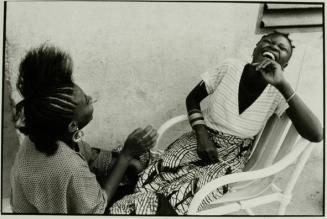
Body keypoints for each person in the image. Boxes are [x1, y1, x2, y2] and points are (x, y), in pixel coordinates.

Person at [109, 31, 323, 215]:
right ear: (256, 48)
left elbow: (316, 134)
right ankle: (120, 195)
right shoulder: (229, 67)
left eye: (281, 48)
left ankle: (137, 208)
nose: (273, 47)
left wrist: (283, 85)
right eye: (268, 42)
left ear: (284, 64)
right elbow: (192, 98)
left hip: (230, 156)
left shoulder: (278, 93)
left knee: (186, 190)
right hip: (199, 137)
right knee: (158, 172)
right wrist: (201, 135)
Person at [9, 44, 177, 215]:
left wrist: (127, 160)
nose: (90, 98)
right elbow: (97, 209)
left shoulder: (46, 133)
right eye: (87, 101)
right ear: (72, 125)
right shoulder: (68, 166)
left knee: (140, 158)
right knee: (155, 204)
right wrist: (126, 155)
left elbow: (86, 153)